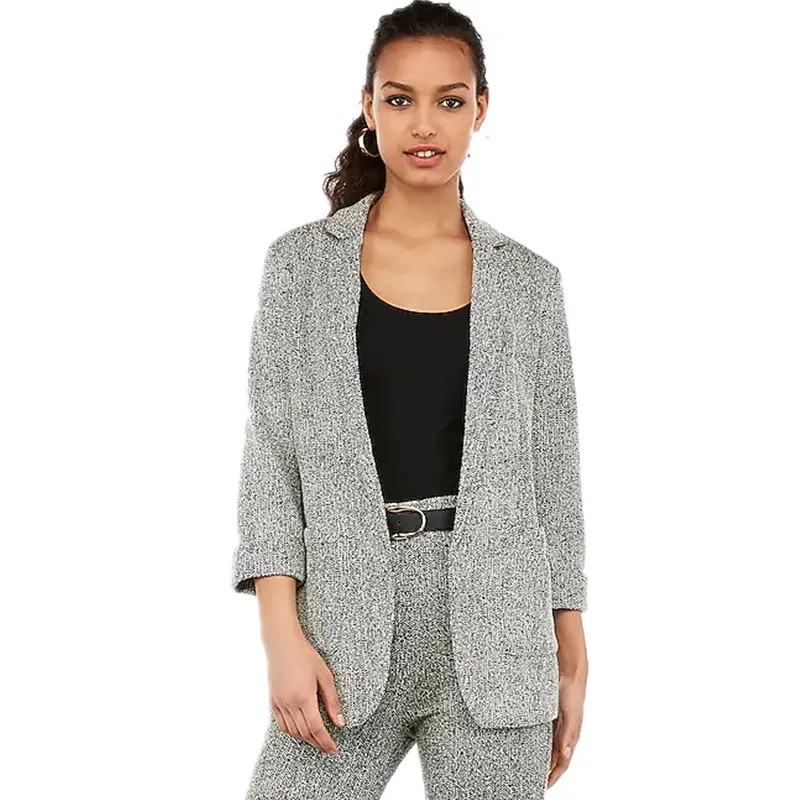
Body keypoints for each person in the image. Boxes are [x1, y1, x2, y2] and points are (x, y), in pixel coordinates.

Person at [231, 2, 589, 797]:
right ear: (369, 106)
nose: (424, 123)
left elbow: (554, 476)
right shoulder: (301, 267)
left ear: (480, 109)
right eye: (400, 99)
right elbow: (272, 457)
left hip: (502, 633)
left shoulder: (530, 284)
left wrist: (571, 649)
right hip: (342, 623)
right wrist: (280, 635)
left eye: (449, 100)